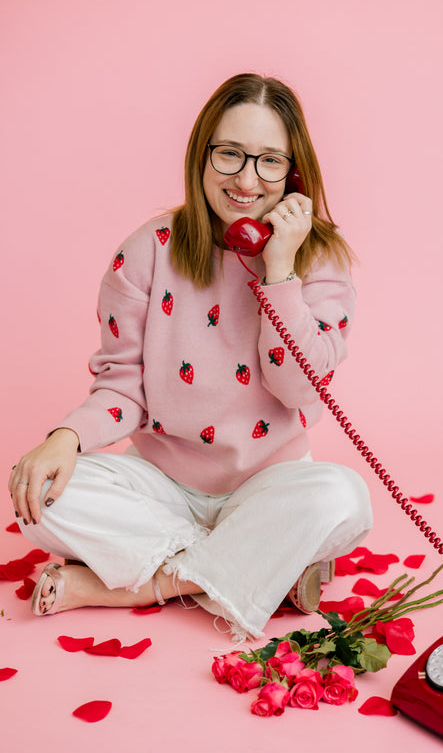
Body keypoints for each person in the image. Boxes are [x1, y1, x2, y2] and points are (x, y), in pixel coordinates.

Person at [8, 73, 373, 643]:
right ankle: (246, 568)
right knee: (42, 492)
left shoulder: (320, 260)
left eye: (269, 161)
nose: (246, 179)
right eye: (229, 154)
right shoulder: (148, 250)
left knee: (343, 497)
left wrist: (281, 270)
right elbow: (123, 382)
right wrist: (65, 438)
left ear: (294, 172)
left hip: (266, 485)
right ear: (202, 154)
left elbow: (300, 390)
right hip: (162, 483)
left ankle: (137, 584)